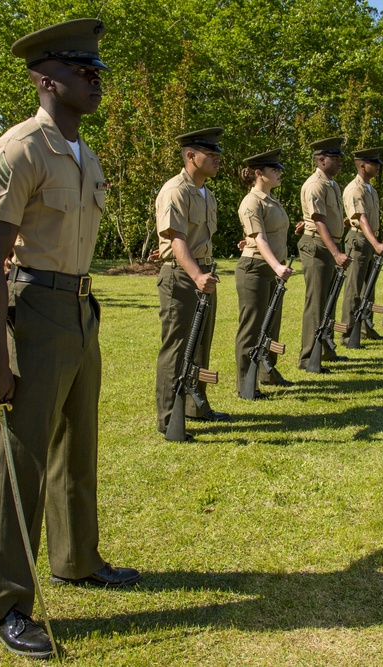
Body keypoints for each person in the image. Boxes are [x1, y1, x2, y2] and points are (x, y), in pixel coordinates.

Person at [0, 19, 140, 660]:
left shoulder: (84, 154)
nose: (93, 79)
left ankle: (77, 557)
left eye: (95, 70)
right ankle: (7, 605)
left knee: (78, 445)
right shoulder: (18, 150)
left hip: (79, 308)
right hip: (33, 310)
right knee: (20, 459)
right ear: (45, 79)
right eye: (80, 70)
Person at [155, 128, 230, 439]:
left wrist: (205, 274)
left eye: (217, 154)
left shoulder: (206, 193)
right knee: (176, 348)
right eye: (210, 154)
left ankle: (196, 406)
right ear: (190, 156)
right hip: (183, 276)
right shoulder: (176, 191)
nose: (217, 159)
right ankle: (170, 418)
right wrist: (197, 276)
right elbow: (177, 241)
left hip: (203, 275)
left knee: (200, 344)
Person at [235, 149, 295, 399]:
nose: (279, 173)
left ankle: (267, 371)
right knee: (252, 328)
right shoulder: (252, 201)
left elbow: (267, 233)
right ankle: (245, 385)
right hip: (257, 269)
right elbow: (258, 237)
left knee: (271, 325)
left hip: (271, 267)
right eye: (274, 170)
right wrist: (278, 266)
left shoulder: (270, 199)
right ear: (259, 173)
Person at [298, 137, 351, 372]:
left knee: (328, 303)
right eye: (335, 158)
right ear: (321, 160)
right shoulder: (315, 185)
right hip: (319, 247)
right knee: (317, 304)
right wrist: (337, 252)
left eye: (340, 158)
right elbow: (318, 221)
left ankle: (325, 348)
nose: (339, 162)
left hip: (328, 246)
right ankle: (309, 357)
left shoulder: (331, 184)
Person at [339, 147, 383, 343]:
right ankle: (349, 332)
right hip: (359, 239)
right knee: (354, 288)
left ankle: (366, 327)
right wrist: (376, 243)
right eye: (373, 163)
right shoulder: (354, 189)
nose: (377, 167)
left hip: (369, 239)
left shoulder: (370, 189)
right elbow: (361, 219)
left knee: (369, 287)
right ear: (361, 165)